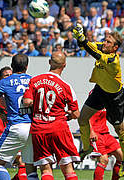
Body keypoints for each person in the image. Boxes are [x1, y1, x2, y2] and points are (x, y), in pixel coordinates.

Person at [72, 23, 124, 177]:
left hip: (115, 97)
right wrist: (80, 38)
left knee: (119, 129)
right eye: (105, 40)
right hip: (100, 90)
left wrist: (83, 39)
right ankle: (87, 148)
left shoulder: (113, 60)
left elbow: (94, 53)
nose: (104, 43)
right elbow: (87, 46)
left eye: (108, 42)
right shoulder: (103, 47)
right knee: (82, 119)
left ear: (115, 47)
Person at [23, 51, 80, 180]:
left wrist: (38, 103)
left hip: (39, 129)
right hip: (59, 128)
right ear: (64, 65)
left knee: (45, 169)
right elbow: (76, 113)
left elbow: (26, 102)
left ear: (49, 62)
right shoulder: (66, 86)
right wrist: (69, 116)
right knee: (68, 169)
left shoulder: (34, 80)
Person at [0, 54, 38, 180]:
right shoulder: (34, 80)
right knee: (30, 169)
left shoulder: (6, 81)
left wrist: (0, 111)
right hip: (33, 128)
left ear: (12, 66)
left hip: (16, 126)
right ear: (27, 66)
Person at [89, 108, 123, 180]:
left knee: (121, 155)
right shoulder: (93, 99)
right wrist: (91, 131)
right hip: (96, 134)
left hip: (106, 133)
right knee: (104, 160)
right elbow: (85, 117)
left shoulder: (106, 101)